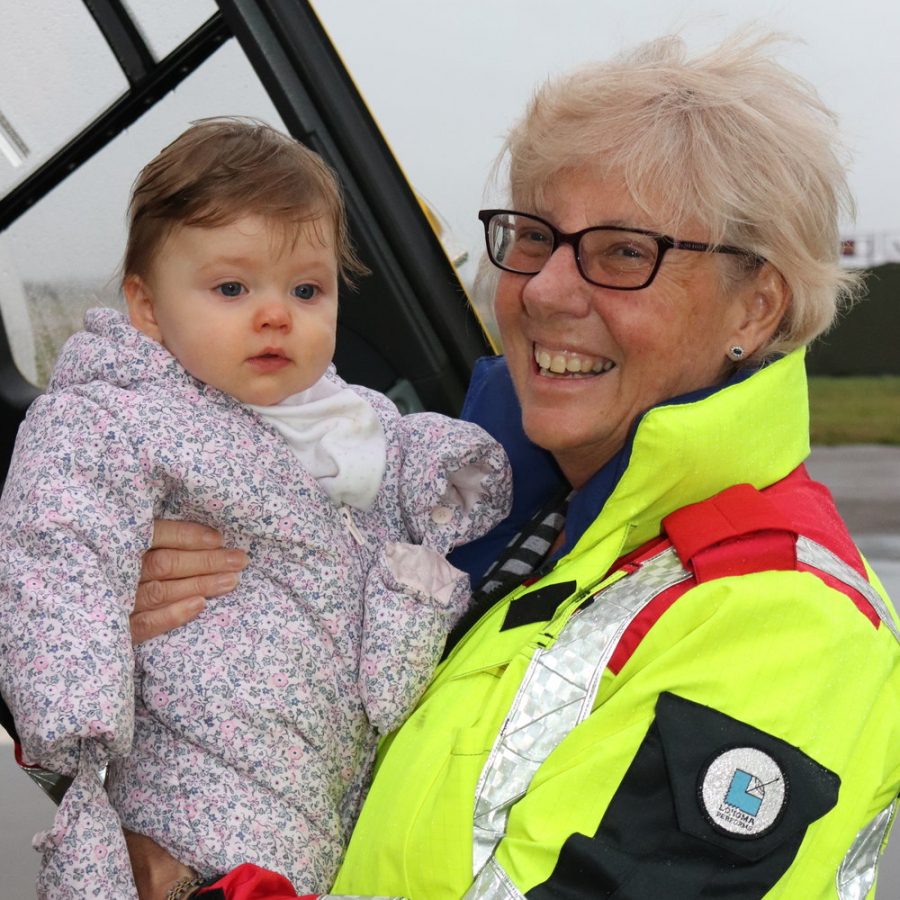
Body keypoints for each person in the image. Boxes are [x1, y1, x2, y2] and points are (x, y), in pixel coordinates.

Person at [130, 31, 900, 899]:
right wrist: (168, 643)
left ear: (755, 308)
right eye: (534, 236)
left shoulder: (789, 626)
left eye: (623, 251)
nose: (543, 289)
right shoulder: (510, 523)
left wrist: (189, 889)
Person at [0, 119, 512, 899]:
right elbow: (59, 546)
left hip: (327, 795)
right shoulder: (117, 419)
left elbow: (398, 454)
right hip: (194, 789)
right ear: (147, 306)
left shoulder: (344, 416)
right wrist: (73, 704)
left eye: (306, 290)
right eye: (232, 289)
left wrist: (445, 475)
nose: (276, 314)